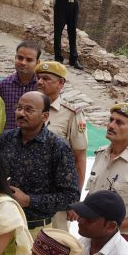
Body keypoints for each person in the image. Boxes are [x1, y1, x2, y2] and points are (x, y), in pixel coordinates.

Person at [76, 103, 128, 255]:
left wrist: (111, 229)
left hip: (121, 242)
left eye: (119, 123)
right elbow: (92, 194)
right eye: (111, 120)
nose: (111, 125)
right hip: (91, 238)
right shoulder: (101, 154)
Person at [0, 91, 79, 233]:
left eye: (29, 110)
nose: (21, 113)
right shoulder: (5, 139)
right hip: (1, 223)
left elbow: (70, 196)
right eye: (19, 108)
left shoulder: (58, 147)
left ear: (45, 116)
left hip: (36, 229)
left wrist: (29, 200)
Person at [35, 61, 87, 189]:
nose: (40, 82)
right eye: (39, 78)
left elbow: (79, 157)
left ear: (60, 83)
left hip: (56, 187)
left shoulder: (71, 114)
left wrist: (76, 197)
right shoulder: (28, 108)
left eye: (46, 79)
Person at [0, 41, 41, 130]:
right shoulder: (3, 85)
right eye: (20, 58)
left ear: (37, 62)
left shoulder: (41, 87)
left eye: (29, 60)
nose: (23, 62)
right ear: (15, 58)